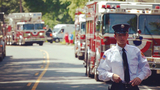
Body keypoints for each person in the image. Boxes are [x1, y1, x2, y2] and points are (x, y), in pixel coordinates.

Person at [97, 24, 151, 90]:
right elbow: (101, 72)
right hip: (117, 87)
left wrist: (140, 77)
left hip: (133, 86)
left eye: (124, 35)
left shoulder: (136, 51)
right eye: (119, 35)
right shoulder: (109, 53)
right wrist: (112, 76)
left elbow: (146, 69)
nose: (122, 38)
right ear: (115, 36)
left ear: (127, 36)